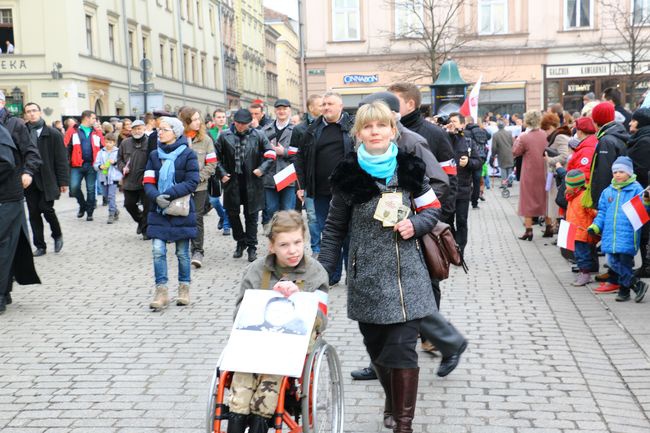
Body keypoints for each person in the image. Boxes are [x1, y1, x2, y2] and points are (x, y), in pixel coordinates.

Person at [319, 101, 443, 432]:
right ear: (358, 133)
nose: (375, 131)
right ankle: (392, 399)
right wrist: (320, 275)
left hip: (409, 278)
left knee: (403, 352)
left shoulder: (409, 168)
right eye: (367, 127)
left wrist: (415, 225)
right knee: (378, 353)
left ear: (392, 130)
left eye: (381, 126)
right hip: (367, 279)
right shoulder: (347, 175)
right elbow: (333, 230)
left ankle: (404, 423)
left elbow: (433, 209)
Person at [228, 210, 329, 433]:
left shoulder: (316, 273)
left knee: (268, 387)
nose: (293, 250)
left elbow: (321, 320)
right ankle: (236, 422)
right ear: (271, 247)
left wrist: (300, 297)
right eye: (284, 245)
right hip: (256, 343)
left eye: (297, 242)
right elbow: (240, 313)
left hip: (290, 349)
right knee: (241, 386)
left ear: (305, 240)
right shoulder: (255, 270)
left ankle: (259, 422)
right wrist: (268, 298)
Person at [294, 92, 353, 285]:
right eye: (324, 104)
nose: (326, 107)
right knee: (329, 234)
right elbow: (300, 159)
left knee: (349, 234)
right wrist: (301, 186)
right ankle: (332, 275)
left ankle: (350, 275)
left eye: (330, 104)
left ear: (341, 106)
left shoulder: (352, 127)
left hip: (348, 190)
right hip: (320, 191)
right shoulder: (312, 129)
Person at [144, 117, 199, 310]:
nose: (160, 132)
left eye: (164, 129)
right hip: (158, 210)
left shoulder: (188, 154)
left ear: (175, 132)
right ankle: (161, 291)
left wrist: (169, 194)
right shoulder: (153, 155)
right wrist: (155, 196)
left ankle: (184, 288)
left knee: (182, 253)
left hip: (180, 210)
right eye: (159, 129)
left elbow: (193, 181)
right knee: (158, 251)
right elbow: (148, 180)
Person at [388, 82, 458, 223]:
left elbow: (449, 179)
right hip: (396, 219)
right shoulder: (386, 133)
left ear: (410, 104)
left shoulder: (436, 133)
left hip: (429, 217)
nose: (388, 107)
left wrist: (435, 214)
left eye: (393, 102)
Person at [216, 108, 275, 262]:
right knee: (232, 215)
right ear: (234, 122)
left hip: (252, 181)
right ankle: (240, 241)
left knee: (252, 216)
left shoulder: (259, 135)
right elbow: (214, 157)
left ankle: (252, 247)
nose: (241, 126)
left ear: (250, 123)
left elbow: (270, 154)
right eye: (239, 123)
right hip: (232, 181)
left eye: (244, 124)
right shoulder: (224, 136)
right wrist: (221, 173)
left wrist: (261, 169)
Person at [588, 156, 649, 302]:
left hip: (628, 232)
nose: (618, 174)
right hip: (610, 233)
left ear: (629, 172)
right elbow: (602, 212)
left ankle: (624, 290)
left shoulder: (636, 189)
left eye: (621, 171)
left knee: (625, 262)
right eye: (615, 172)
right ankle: (636, 284)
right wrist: (596, 225)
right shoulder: (608, 191)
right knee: (613, 262)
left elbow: (643, 211)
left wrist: (646, 200)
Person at [0, 116, 41, 314]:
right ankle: (4, 290)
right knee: (8, 245)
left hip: (8, 195)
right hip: (8, 195)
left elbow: (9, 162)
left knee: (5, 244)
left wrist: (28, 172)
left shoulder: (13, 125)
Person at [23, 102, 68, 256]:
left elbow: (61, 159)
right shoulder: (22, 132)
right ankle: (40, 246)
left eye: (34, 111)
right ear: (25, 115)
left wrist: (63, 181)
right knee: (34, 213)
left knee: (46, 208)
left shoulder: (53, 133)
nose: (31, 114)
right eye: (28, 111)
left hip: (48, 179)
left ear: (40, 112)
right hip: (29, 180)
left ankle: (57, 235)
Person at [179, 106, 218, 268]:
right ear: (185, 122)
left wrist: (197, 178)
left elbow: (212, 164)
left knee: (196, 217)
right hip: (180, 186)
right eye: (193, 119)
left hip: (200, 186)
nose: (197, 122)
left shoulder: (206, 139)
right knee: (181, 215)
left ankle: (197, 251)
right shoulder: (177, 139)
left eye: (198, 119)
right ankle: (182, 248)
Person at [446, 112, 484, 255]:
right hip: (447, 189)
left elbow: (478, 162)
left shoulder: (468, 141)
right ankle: (451, 246)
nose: (453, 123)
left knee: (461, 220)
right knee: (447, 221)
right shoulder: (443, 139)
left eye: (455, 121)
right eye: (451, 121)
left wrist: (468, 162)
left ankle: (460, 249)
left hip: (463, 188)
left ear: (462, 124)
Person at [290, 94, 322, 256]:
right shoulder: (299, 129)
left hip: (326, 180)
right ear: (310, 108)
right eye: (320, 104)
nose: (324, 107)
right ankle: (317, 248)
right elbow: (295, 159)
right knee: (312, 216)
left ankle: (329, 247)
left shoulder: (328, 126)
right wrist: (300, 186)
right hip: (308, 181)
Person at [261, 99, 296, 232]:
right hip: (270, 174)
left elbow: (301, 152)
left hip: (287, 174)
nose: (281, 111)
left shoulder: (295, 129)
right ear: (275, 111)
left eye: (284, 109)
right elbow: (260, 151)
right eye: (279, 109)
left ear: (289, 111)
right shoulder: (266, 130)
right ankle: (275, 237)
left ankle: (287, 235)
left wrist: (284, 152)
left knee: (287, 210)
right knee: (271, 209)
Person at [512, 111, 548, 240]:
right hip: (544, 170)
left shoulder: (524, 136)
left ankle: (529, 230)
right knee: (545, 198)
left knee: (527, 199)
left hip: (529, 171)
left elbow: (515, 151)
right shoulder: (545, 134)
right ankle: (549, 226)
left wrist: (517, 139)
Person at [586, 102, 629, 209]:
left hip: (608, 199)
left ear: (596, 121)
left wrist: (599, 204)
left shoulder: (606, 141)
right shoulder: (618, 134)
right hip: (616, 194)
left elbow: (603, 173)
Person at [64, 110, 104, 221]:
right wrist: (67, 162)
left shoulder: (97, 132)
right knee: (74, 187)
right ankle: (82, 205)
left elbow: (103, 147)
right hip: (76, 165)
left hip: (92, 165)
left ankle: (90, 212)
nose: (95, 120)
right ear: (86, 118)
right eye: (93, 118)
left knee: (91, 189)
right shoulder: (73, 130)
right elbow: (65, 146)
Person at [562, 170, 598, 286]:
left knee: (582, 255)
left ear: (575, 186)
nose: (566, 186)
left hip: (582, 231)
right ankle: (584, 272)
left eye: (568, 184)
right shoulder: (572, 196)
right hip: (574, 230)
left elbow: (592, 212)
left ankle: (585, 274)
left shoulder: (584, 196)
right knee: (579, 254)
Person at [117, 119, 150, 239]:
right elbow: (119, 159)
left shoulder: (150, 142)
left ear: (144, 128)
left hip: (145, 179)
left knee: (148, 206)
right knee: (128, 204)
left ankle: (146, 229)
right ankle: (140, 220)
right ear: (131, 130)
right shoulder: (125, 143)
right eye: (135, 128)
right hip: (129, 180)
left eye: (139, 128)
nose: (137, 130)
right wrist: (122, 168)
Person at [628, 107, 650, 278]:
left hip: (644, 193)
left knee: (645, 231)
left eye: (633, 120)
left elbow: (642, 170)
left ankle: (647, 267)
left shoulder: (644, 141)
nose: (630, 122)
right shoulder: (641, 138)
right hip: (642, 192)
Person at [541, 112, 570, 237]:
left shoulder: (559, 137)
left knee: (559, 204)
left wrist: (549, 160)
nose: (546, 132)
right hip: (557, 174)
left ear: (552, 126)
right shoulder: (558, 136)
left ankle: (561, 234)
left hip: (559, 174)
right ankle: (558, 231)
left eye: (546, 129)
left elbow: (565, 156)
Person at [206, 108, 231, 235]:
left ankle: (227, 225)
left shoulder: (231, 131)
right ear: (214, 119)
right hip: (213, 169)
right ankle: (222, 216)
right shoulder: (209, 133)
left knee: (227, 198)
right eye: (218, 117)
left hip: (227, 169)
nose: (221, 119)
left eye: (223, 117)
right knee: (214, 200)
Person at [93, 133, 122, 224]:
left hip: (113, 178)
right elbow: (95, 164)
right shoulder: (100, 152)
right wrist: (100, 166)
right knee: (106, 195)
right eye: (106, 142)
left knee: (111, 196)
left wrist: (114, 162)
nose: (108, 144)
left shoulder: (118, 152)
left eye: (110, 142)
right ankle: (116, 210)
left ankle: (111, 214)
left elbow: (120, 164)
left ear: (114, 143)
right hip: (103, 177)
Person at [464, 120, 490, 209]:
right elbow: (489, 137)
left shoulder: (467, 132)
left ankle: (466, 199)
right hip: (481, 159)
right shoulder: (482, 131)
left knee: (467, 180)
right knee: (477, 181)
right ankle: (475, 203)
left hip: (471, 158)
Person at [490, 120, 514, 185]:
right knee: (509, 167)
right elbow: (512, 143)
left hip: (501, 153)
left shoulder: (495, 135)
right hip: (509, 152)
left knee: (503, 168)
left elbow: (494, 147)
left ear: (498, 127)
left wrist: (493, 155)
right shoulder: (509, 133)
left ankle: (504, 183)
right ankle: (510, 182)